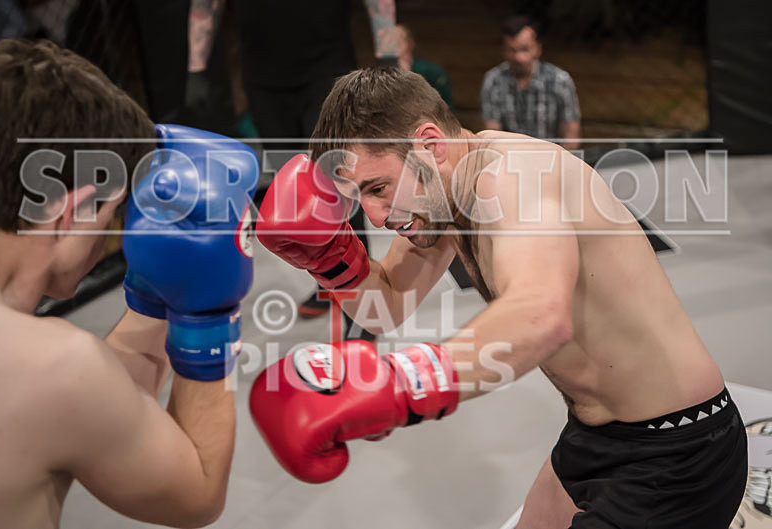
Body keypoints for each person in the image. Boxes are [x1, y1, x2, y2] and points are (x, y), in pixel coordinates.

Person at [251, 67, 747, 528]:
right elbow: (386, 306)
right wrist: (333, 259)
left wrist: (402, 385)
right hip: (596, 436)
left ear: (429, 145)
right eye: (361, 198)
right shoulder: (442, 198)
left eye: (378, 188)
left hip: (680, 453)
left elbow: (540, 314)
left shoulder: (512, 178)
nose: (376, 217)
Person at [0, 39, 254, 528]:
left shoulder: (50, 376)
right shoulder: (57, 366)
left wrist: (155, 295)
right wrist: (203, 314)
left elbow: (99, 407)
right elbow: (198, 493)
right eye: (112, 214)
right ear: (74, 210)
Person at [231, 0, 398, 331]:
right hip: (263, 73)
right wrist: (195, 69)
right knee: (294, 191)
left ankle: (362, 302)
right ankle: (328, 282)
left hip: (326, 66)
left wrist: (389, 54)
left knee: (337, 182)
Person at [481, 15, 581, 150]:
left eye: (524, 49)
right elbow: (493, 137)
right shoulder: (493, 81)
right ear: (504, 50)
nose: (519, 57)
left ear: (538, 48)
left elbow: (571, 139)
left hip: (551, 160)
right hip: (510, 160)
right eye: (512, 50)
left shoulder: (560, 80)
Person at [394, 24, 453, 109]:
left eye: (398, 40)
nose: (393, 44)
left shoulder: (431, 71)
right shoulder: (382, 73)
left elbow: (443, 104)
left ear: (410, 42)